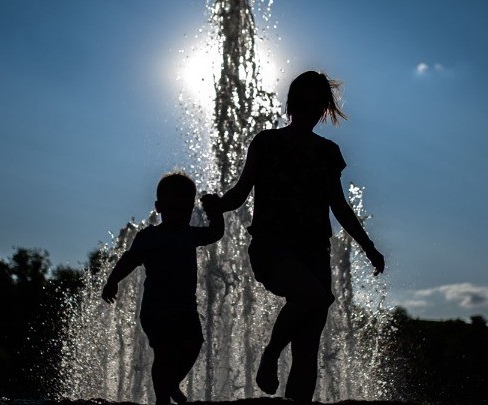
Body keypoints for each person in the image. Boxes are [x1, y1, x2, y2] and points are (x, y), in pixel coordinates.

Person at [204, 70, 385, 402]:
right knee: (313, 298)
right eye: (307, 102)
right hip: (272, 248)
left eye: (318, 105)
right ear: (292, 104)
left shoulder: (327, 152)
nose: (312, 110)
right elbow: (240, 194)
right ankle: (271, 354)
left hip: (315, 252)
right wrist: (216, 205)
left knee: (308, 347)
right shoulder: (267, 142)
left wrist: (368, 247)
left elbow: (339, 207)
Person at [101, 172, 224, 405]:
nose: (179, 215)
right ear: (158, 207)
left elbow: (215, 233)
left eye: (185, 210)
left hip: (185, 307)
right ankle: (162, 400)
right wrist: (113, 280)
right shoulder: (150, 236)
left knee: (193, 345)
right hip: (156, 309)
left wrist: (215, 212)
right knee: (164, 352)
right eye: (173, 209)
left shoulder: (189, 235)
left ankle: (171, 384)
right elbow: (129, 259)